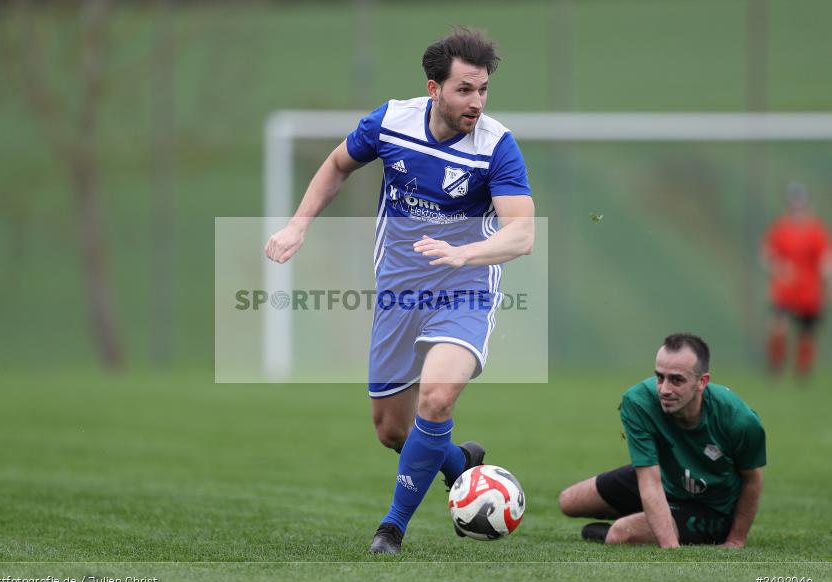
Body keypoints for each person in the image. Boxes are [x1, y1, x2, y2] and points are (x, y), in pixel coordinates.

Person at [265, 27, 535, 554]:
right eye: (464, 89)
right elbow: (338, 164)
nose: (476, 102)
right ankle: (459, 462)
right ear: (434, 89)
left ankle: (392, 527)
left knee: (436, 397)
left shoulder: (496, 146)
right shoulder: (391, 121)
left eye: (483, 89)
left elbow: (521, 234)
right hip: (398, 292)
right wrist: (298, 225)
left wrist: (464, 254)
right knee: (392, 430)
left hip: (465, 288)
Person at [558, 333, 766, 547]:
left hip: (710, 507)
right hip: (664, 478)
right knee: (568, 501)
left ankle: (626, 528)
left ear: (702, 382)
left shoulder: (740, 420)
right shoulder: (638, 401)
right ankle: (654, 514)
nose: (665, 389)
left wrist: (735, 540)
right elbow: (649, 479)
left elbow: (753, 480)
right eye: (660, 377)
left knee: (620, 533)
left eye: (676, 380)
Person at [763, 182, 831, 377]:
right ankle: (776, 365)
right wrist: (779, 267)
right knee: (778, 327)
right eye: (794, 203)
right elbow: (767, 255)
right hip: (784, 290)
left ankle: (803, 371)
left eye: (800, 203)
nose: (797, 207)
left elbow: (825, 262)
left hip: (808, 293)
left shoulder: (816, 231)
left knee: (806, 334)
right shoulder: (781, 229)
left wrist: (827, 287)